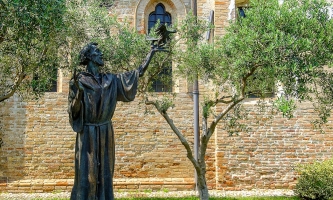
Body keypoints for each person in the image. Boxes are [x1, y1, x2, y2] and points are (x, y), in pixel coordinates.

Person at [68, 42, 158, 200]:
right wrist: (78, 94)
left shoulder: (110, 79)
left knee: (105, 173)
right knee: (87, 175)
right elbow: (73, 112)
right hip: (87, 134)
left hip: (105, 132)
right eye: (97, 51)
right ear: (89, 57)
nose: (101, 54)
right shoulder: (78, 81)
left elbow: (137, 73)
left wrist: (151, 53)